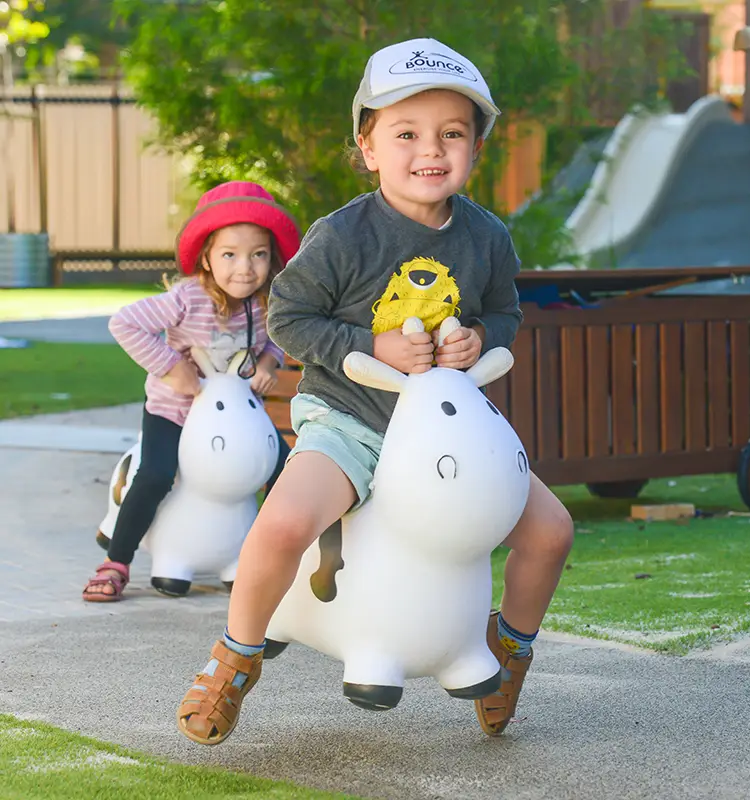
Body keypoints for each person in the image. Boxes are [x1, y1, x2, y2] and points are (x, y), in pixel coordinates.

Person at [176, 38, 574, 745]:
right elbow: (290, 317)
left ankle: (509, 649)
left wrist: (479, 338)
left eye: (453, 134)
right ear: (367, 146)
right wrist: (370, 347)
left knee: (550, 532)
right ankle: (236, 656)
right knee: (282, 526)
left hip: (448, 435)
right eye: (407, 133)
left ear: (476, 150)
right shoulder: (343, 237)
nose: (431, 149)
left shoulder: (486, 237)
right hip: (353, 420)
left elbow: (506, 311)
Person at [82, 181, 301, 602]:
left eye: (259, 255)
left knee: (286, 471)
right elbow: (124, 323)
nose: (245, 268)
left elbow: (277, 338)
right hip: (175, 411)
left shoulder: (265, 302)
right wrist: (171, 367)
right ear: (206, 257)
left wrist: (270, 363)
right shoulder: (187, 297)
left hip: (237, 418)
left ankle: (277, 560)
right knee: (156, 474)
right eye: (230, 255)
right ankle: (117, 561)